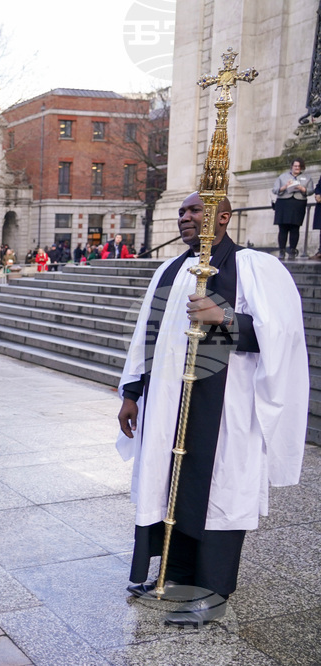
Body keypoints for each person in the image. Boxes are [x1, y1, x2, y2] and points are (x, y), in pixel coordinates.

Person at [116, 193, 309, 626]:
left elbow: (282, 340)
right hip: (166, 402)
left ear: (223, 217)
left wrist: (222, 316)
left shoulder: (255, 269)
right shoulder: (170, 269)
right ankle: (175, 575)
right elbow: (146, 333)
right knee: (170, 485)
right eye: (183, 211)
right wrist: (131, 391)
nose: (185, 217)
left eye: (195, 210)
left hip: (227, 407)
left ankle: (211, 590)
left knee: (217, 489)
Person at [271, 157, 312, 259]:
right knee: (283, 228)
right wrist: (285, 187)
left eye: (299, 166)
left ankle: (292, 250)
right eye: (295, 166)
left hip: (298, 203)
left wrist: (302, 188)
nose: (297, 168)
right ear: (291, 167)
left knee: (295, 227)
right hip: (284, 202)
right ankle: (282, 250)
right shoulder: (283, 176)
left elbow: (311, 191)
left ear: (302, 167)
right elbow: (275, 189)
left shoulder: (307, 178)